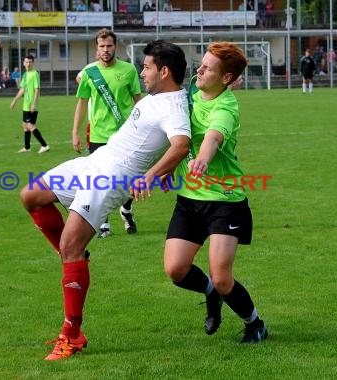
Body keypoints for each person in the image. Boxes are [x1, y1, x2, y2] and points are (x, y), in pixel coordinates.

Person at [20, 40, 191, 360]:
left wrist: (151, 175)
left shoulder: (173, 105)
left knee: (70, 247)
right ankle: (74, 258)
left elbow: (181, 144)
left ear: (164, 71)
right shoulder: (158, 97)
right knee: (31, 195)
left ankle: (71, 333)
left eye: (147, 67)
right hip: (96, 161)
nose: (142, 72)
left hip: (112, 177)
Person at [156, 41, 268, 344]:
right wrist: (167, 169)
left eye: (208, 67)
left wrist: (202, 160)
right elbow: (178, 134)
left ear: (227, 78)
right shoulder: (192, 90)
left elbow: (213, 138)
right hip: (189, 200)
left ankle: (255, 323)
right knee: (176, 269)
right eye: (201, 63)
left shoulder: (227, 107)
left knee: (222, 277)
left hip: (225, 202)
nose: (200, 69)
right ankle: (211, 296)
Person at [73, 28, 142, 238]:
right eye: (101, 46)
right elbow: (81, 104)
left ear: (115, 46)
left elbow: (139, 101)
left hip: (126, 136)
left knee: (130, 180)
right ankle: (103, 223)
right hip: (98, 136)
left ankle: (126, 209)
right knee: (99, 181)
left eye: (109, 46)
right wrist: (75, 132)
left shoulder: (129, 70)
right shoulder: (89, 73)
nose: (105, 50)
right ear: (97, 48)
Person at [10, 55, 50, 154]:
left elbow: (37, 89)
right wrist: (15, 100)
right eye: (26, 62)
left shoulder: (34, 74)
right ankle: (27, 147)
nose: (28, 64)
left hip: (31, 105)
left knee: (30, 125)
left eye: (30, 62)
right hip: (25, 105)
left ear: (33, 63)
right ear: (24, 63)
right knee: (25, 125)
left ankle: (44, 145)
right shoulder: (25, 75)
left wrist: (34, 104)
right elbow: (22, 89)